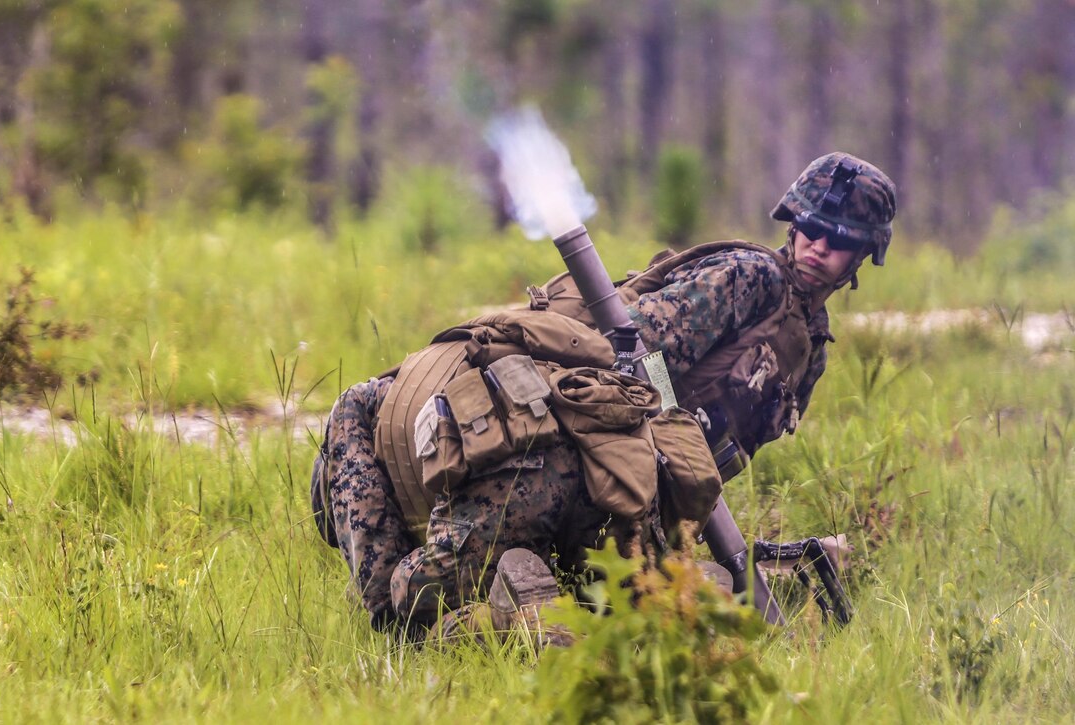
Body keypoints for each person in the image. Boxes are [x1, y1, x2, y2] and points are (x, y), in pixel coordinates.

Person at [311, 151, 897, 635]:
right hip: (605, 472)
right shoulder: (754, 280)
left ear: (862, 253)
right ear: (792, 225)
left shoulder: (807, 343)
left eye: (838, 238)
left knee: (403, 613)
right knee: (428, 599)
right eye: (811, 229)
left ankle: (523, 619)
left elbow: (648, 378)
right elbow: (636, 350)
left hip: (599, 476)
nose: (819, 246)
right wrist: (664, 426)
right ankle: (537, 608)